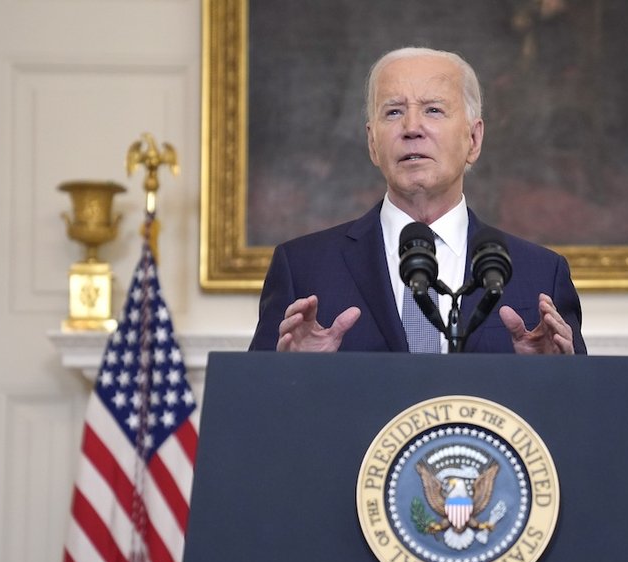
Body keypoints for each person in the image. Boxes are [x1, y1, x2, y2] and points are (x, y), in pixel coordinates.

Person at [249, 47, 586, 355]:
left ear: (473, 139)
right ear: (372, 143)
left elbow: (581, 412)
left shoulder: (541, 273)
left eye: (433, 110)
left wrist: (552, 378)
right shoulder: (303, 269)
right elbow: (255, 410)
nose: (412, 128)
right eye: (394, 112)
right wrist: (292, 375)